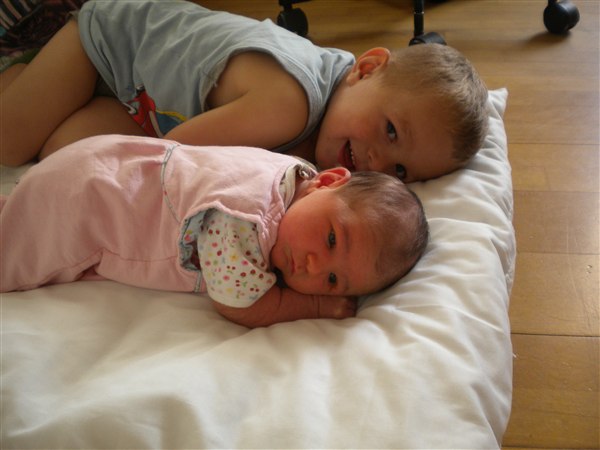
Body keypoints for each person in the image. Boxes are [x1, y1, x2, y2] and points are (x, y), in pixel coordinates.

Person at [0, 0, 488, 182]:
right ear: (367, 67)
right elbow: (167, 161)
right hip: (112, 44)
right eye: (391, 131)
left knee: (62, 156)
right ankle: (24, 68)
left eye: (401, 171)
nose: (378, 162)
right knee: (9, 143)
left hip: (144, 103)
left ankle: (34, 81)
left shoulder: (340, 107)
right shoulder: (289, 101)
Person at [0, 134, 429, 328]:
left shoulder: (290, 174)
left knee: (16, 215)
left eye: (333, 280)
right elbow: (239, 305)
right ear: (328, 180)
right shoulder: (244, 222)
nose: (314, 266)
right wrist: (316, 304)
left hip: (106, 160)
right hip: (90, 203)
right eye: (332, 238)